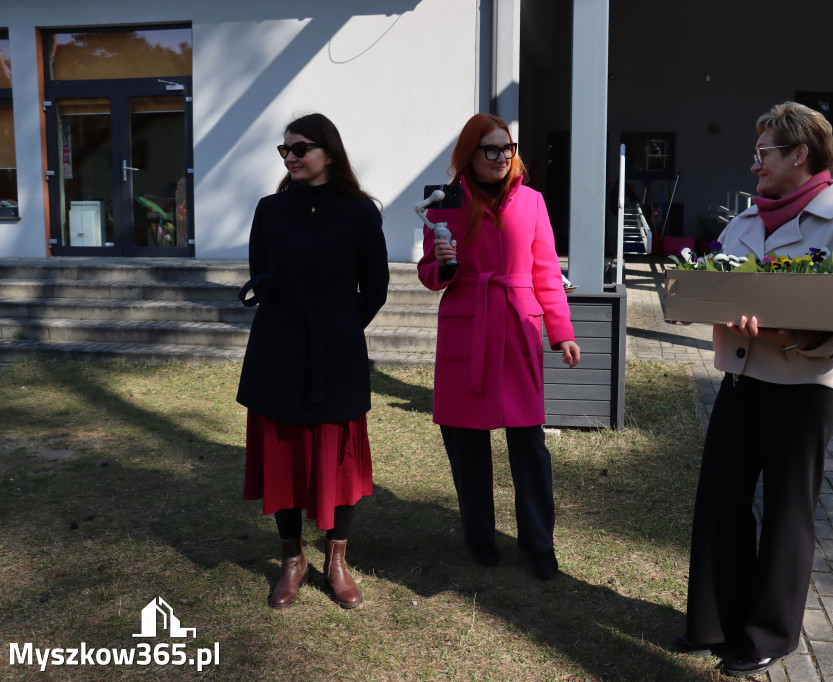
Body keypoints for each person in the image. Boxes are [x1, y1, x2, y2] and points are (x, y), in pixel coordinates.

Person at [678, 102, 833, 676]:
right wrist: (695, 299)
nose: (754, 165)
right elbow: (714, 285)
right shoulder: (745, 223)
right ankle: (716, 621)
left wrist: (793, 333)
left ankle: (767, 635)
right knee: (720, 500)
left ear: (800, 154)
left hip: (807, 388)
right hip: (741, 379)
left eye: (764, 153)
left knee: (787, 512)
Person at [417, 113, 581, 580]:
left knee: (529, 444)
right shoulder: (443, 202)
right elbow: (429, 274)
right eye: (490, 149)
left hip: (516, 328)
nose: (501, 157)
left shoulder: (532, 201)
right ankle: (479, 538)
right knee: (467, 443)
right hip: (466, 327)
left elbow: (546, 271)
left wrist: (562, 331)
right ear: (469, 154)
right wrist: (443, 265)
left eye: (507, 148)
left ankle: (539, 543)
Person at [237, 113, 389, 609]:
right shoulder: (269, 209)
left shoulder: (360, 212)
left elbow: (376, 286)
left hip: (336, 349)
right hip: (278, 344)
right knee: (282, 454)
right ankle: (292, 559)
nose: (292, 157)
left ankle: (336, 560)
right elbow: (261, 273)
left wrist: (339, 327)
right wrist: (292, 324)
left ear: (329, 151)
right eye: (285, 149)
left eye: (301, 148)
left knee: (337, 455)